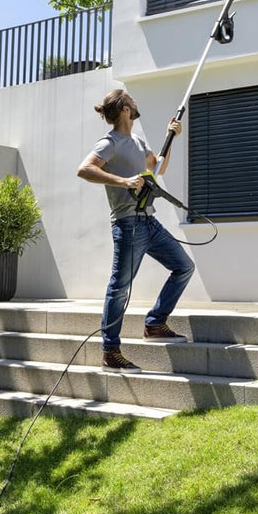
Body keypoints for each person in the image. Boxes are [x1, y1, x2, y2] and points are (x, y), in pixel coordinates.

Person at [77, 89, 195, 372]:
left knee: (184, 266)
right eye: (132, 99)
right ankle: (110, 352)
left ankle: (155, 323)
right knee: (119, 288)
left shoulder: (138, 142)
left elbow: (159, 169)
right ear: (125, 109)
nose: (136, 101)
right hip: (128, 225)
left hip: (149, 222)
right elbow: (85, 169)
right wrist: (124, 181)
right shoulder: (110, 142)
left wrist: (172, 137)